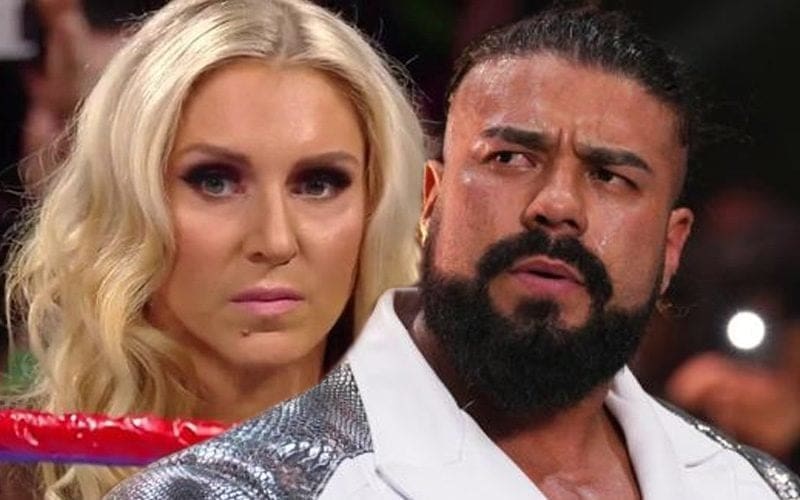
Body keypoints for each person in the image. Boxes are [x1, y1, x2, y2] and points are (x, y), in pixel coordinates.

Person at [108, 7, 799, 499]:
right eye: (509, 157)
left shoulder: (757, 488)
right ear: (429, 199)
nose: (557, 204)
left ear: (673, 246)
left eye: (610, 175)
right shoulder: (224, 490)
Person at [2, 0, 425, 497]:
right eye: (215, 182)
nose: (275, 240)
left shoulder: (454, 472)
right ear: (131, 201)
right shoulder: (24, 472)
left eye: (318, 184)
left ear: (376, 208)